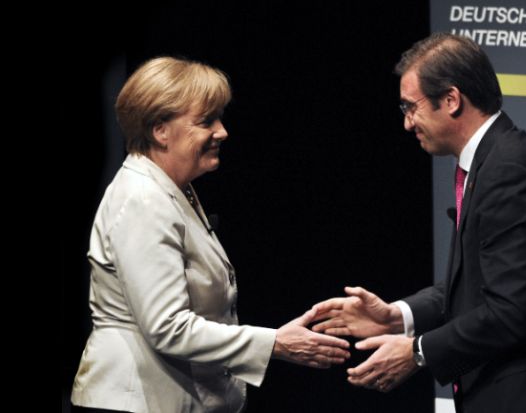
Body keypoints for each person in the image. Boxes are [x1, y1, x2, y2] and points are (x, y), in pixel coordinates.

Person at [312, 34, 526, 413]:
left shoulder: (508, 172)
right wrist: (398, 316)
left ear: (452, 100)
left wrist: (418, 352)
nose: (408, 124)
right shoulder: (491, 162)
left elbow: (511, 311)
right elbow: (478, 284)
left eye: (411, 107)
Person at [71, 56, 350, 413]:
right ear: (160, 130)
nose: (222, 131)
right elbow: (167, 327)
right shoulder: (143, 200)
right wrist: (274, 343)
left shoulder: (171, 188)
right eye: (206, 122)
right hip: (134, 402)